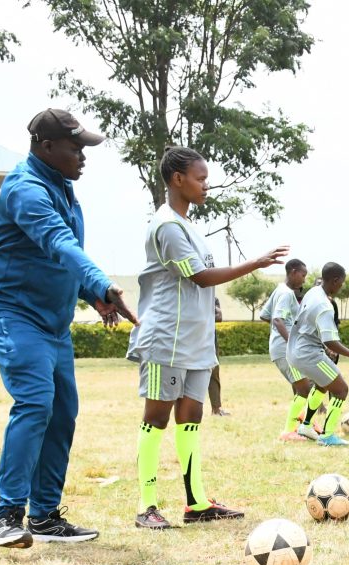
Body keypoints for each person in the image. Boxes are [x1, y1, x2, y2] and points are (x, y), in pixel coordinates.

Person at [0, 108, 137, 548]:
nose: (83, 155)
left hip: (51, 325)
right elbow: (59, 243)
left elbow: (60, 259)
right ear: (46, 148)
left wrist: (91, 295)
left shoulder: (62, 187)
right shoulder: (26, 189)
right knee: (35, 401)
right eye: (76, 147)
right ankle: (8, 517)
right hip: (11, 315)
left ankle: (45, 517)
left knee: (63, 411)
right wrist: (104, 282)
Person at [127, 146, 288, 529]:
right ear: (177, 179)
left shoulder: (188, 226)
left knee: (191, 416)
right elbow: (198, 276)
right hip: (166, 337)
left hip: (196, 342)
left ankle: (196, 502)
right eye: (200, 179)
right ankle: (146, 505)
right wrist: (256, 263)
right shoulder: (166, 225)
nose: (206, 186)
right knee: (156, 417)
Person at [287, 262, 349, 446]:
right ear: (335, 280)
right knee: (341, 389)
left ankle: (306, 425)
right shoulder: (325, 306)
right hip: (309, 354)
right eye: (342, 283)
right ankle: (327, 436)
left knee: (323, 385)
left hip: (294, 350)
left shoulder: (313, 292)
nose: (342, 286)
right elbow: (330, 341)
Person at [260, 258, 310, 442]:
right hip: (285, 350)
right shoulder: (287, 293)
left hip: (279, 348)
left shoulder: (279, 289)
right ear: (293, 272)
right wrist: (291, 343)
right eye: (303, 275)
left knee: (301, 386)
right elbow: (277, 320)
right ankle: (289, 431)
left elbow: (265, 315)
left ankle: (304, 424)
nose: (304, 280)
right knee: (305, 388)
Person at [207, 297, 230, 416]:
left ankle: (216, 409)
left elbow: (219, 317)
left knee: (214, 373)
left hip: (210, 340)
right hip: (191, 339)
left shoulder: (213, 299)